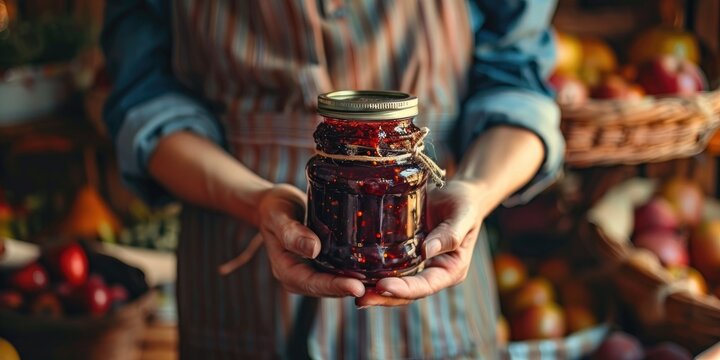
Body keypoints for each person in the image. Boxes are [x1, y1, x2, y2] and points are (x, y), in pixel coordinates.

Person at [102, 0, 564, 358]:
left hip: (436, 289)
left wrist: (477, 190)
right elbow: (145, 102)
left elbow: (517, 83)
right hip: (235, 267)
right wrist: (253, 200)